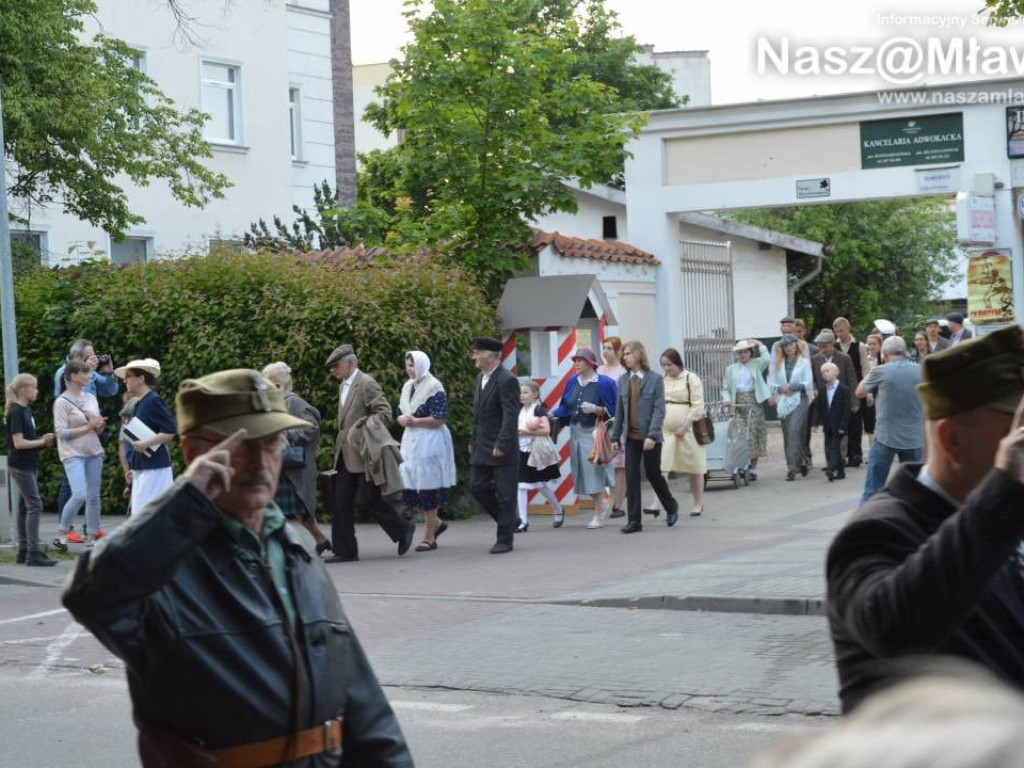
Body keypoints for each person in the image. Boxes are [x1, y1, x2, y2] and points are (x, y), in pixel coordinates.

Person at [62, 368, 414, 767]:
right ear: (194, 453)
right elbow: (91, 596)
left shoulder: (293, 550)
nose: (262, 463)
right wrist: (187, 499)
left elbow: (364, 708)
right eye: (243, 447)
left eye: (273, 442)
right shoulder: (161, 566)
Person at [827, 326, 1024, 713]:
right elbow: (897, 631)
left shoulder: (1000, 517)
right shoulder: (874, 532)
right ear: (952, 440)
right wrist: (1004, 487)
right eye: (1015, 435)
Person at [326, 344, 414, 563]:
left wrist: (363, 426)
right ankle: (345, 551)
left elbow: (384, 412)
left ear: (349, 363)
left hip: (365, 452)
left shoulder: (366, 382)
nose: (333, 371)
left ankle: (403, 528)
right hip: (346, 453)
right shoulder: (343, 385)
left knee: (368, 499)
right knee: (341, 502)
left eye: (335, 366)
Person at [261, 362, 331, 557]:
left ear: (278, 383)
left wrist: (287, 434)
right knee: (290, 510)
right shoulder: (272, 402)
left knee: (284, 510)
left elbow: (312, 426)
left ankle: (282, 550)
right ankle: (321, 540)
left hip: (291, 467)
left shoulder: (293, 402)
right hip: (279, 464)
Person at [608, 341, 679, 533]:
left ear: (639, 355)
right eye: (624, 354)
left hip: (650, 437)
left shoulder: (655, 379)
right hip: (631, 437)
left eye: (628, 353)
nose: (625, 357)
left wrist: (652, 435)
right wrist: (615, 437)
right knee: (631, 476)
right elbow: (619, 412)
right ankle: (634, 521)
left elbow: (659, 410)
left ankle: (671, 506)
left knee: (653, 474)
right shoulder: (623, 380)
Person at [53, 339, 119, 529]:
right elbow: (69, 396)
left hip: (91, 434)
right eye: (89, 356)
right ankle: (66, 528)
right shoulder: (64, 373)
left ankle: (90, 527)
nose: (94, 359)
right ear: (76, 357)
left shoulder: (92, 373)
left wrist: (110, 373)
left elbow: (111, 391)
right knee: (72, 486)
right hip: (73, 437)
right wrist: (88, 370)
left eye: (94, 355)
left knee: (92, 492)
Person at [550, 347, 617, 529]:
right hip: (575, 433)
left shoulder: (605, 383)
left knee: (593, 472)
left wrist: (597, 409)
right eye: (575, 360)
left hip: (594, 433)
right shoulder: (572, 381)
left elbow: (615, 410)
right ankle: (603, 504)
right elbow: (566, 406)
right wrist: (551, 414)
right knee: (582, 473)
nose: (576, 363)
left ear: (590, 363)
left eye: (580, 360)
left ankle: (599, 513)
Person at [396, 350, 456, 551]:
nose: (410, 369)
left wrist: (416, 421)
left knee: (428, 488)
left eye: (413, 365)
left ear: (422, 365)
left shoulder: (434, 386)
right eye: (408, 365)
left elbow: (440, 418)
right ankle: (437, 523)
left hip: (430, 440)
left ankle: (429, 537)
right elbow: (400, 412)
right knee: (410, 489)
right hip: (411, 441)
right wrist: (402, 419)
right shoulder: (407, 386)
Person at [856, 335, 924, 504]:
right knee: (913, 488)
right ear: (905, 352)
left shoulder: (881, 371)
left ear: (885, 354)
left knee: (873, 487)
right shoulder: (921, 370)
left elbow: (860, 392)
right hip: (914, 438)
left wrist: (872, 370)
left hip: (886, 437)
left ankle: (868, 517)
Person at [469, 337, 520, 554]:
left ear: (490, 356)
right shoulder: (480, 378)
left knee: (506, 494)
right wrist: (473, 440)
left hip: (502, 447)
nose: (473, 357)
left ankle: (504, 540)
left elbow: (510, 415)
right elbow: (478, 416)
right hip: (482, 445)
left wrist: (502, 443)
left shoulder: (507, 380)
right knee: (477, 487)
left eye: (477, 353)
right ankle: (509, 521)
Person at [52, 361, 108, 550]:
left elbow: (96, 429)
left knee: (93, 496)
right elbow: (61, 433)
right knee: (79, 494)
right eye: (85, 373)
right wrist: (88, 426)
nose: (89, 376)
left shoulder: (91, 398)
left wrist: (99, 425)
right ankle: (62, 533)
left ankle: (91, 536)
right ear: (74, 376)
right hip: (72, 453)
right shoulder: (61, 402)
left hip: (93, 450)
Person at [5, 373, 57, 566]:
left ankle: (24, 551)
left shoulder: (27, 411)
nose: (37, 391)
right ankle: (33, 553)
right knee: (35, 505)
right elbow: (18, 443)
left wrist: (41, 440)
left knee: (24, 507)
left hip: (28, 463)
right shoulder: (16, 412)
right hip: (21, 464)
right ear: (23, 390)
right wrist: (41, 442)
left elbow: (27, 439)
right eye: (34, 387)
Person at [114, 358, 177, 515]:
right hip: (144, 467)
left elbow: (170, 431)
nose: (125, 381)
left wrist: (146, 443)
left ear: (141, 379)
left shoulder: (153, 400)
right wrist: (134, 470)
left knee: (148, 516)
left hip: (155, 468)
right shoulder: (139, 403)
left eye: (128, 377)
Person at [654, 348, 707, 517]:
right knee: (662, 466)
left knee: (694, 466)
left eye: (669, 364)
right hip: (666, 430)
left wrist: (685, 425)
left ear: (678, 363)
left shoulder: (691, 379)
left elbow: (697, 405)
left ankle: (698, 503)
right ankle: (657, 502)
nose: (666, 368)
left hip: (688, 429)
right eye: (663, 365)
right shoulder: (663, 380)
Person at [515, 379, 562, 532]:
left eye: (525, 392)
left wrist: (527, 432)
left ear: (535, 394)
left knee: (541, 485)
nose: (522, 395)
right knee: (521, 486)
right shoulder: (519, 410)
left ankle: (558, 509)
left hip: (535, 452)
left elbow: (546, 430)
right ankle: (523, 521)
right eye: (521, 393)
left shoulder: (538, 410)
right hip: (521, 451)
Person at [721, 338, 771, 481]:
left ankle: (753, 467)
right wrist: (727, 399)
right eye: (739, 352)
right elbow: (725, 387)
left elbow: (767, 359)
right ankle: (741, 464)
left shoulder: (756, 364)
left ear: (750, 353)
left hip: (753, 401)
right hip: (736, 403)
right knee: (739, 434)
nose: (742, 355)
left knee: (753, 432)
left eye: (745, 352)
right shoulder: (731, 369)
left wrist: (759, 344)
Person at [770, 334, 813, 481]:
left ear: (796, 345)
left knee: (794, 430)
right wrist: (781, 389)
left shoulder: (804, 362)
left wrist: (792, 387)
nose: (789, 348)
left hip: (800, 399)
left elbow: (808, 383)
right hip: (784, 400)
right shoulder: (778, 363)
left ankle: (791, 469)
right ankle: (802, 460)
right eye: (786, 346)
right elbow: (772, 383)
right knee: (788, 433)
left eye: (791, 345)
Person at [833, 317, 870, 468]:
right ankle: (845, 454)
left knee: (856, 422)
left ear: (848, 329)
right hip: (839, 389)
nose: (839, 334)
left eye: (841, 331)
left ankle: (856, 454)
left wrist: (866, 390)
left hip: (856, 388)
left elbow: (865, 369)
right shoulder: (834, 346)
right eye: (837, 331)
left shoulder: (859, 346)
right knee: (843, 423)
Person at [597, 336, 628, 518]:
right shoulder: (599, 370)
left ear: (617, 351)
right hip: (601, 421)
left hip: (618, 421)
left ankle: (618, 503)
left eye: (609, 348)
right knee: (602, 461)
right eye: (604, 348)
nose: (606, 351)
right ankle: (605, 500)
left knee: (619, 465)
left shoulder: (623, 372)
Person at [814, 362, 851, 482]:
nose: (824, 374)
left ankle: (831, 468)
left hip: (839, 425)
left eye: (827, 371)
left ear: (836, 372)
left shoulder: (844, 390)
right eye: (822, 372)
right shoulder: (823, 390)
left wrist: (843, 425)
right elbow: (819, 407)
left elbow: (846, 409)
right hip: (828, 425)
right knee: (829, 447)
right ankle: (840, 471)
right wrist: (815, 423)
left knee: (835, 447)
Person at [861, 333, 884, 446]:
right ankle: (872, 448)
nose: (871, 346)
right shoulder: (865, 359)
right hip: (869, 393)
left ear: (880, 345)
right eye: (869, 344)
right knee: (870, 423)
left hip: (883, 393)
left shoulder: (885, 359)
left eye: (874, 344)